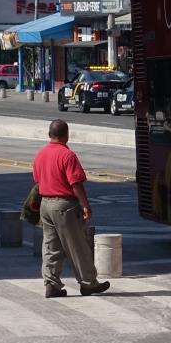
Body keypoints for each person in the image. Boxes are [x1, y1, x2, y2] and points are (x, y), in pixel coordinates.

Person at [32, 119, 110, 298]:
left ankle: (51, 284)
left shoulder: (40, 154)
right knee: (78, 245)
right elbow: (75, 184)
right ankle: (88, 283)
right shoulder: (67, 155)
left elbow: (37, 179)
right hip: (64, 206)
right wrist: (85, 205)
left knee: (51, 246)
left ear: (49, 135)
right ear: (66, 135)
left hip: (46, 204)